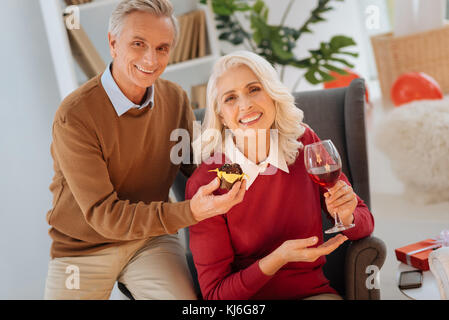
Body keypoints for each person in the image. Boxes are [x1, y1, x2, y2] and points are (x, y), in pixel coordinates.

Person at [44, 0, 245, 300]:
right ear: (113, 43)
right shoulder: (75, 115)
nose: (151, 59)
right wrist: (189, 211)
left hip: (149, 242)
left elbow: (199, 165)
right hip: (82, 249)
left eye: (162, 48)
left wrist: (252, 158)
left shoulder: (174, 98)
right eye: (138, 44)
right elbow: (104, 215)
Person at [185, 51, 375, 300]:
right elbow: (216, 295)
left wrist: (347, 215)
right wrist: (278, 258)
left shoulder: (304, 143)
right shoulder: (206, 183)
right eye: (230, 98)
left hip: (312, 294)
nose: (245, 105)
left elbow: (365, 224)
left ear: (273, 94)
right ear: (220, 114)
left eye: (254, 89)